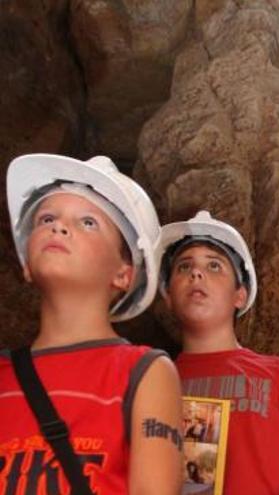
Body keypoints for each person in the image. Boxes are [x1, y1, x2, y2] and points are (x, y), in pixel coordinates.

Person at [0, 153, 183, 494]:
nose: (58, 226)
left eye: (88, 222)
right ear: (26, 264)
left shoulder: (144, 372)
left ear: (123, 273)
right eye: (46, 218)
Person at [157, 211, 279, 495]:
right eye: (184, 266)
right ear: (168, 296)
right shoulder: (150, 380)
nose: (196, 273)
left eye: (214, 266)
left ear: (239, 295)